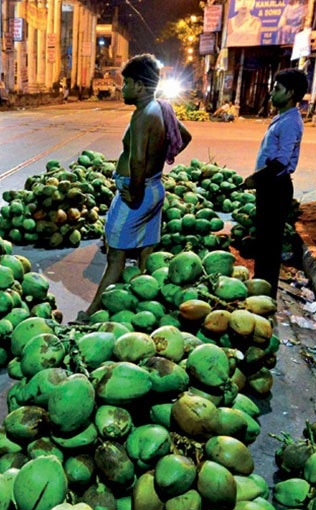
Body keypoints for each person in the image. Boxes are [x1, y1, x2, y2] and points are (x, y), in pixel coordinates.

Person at [81, 54, 192, 320]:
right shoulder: (161, 108)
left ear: (140, 86)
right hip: (155, 189)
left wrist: (136, 193)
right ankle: (144, 308)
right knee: (145, 254)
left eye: (127, 83)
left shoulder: (142, 115)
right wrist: (160, 161)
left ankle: (92, 312)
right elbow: (185, 137)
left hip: (137, 193)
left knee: (115, 258)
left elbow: (138, 159)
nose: (123, 89)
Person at [239, 68, 308, 297]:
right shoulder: (283, 117)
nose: (271, 93)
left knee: (270, 243)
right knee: (265, 239)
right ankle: (260, 284)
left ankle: (265, 292)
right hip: (269, 186)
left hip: (276, 187)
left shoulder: (290, 122)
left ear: (290, 93)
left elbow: (280, 162)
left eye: (277, 89)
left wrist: (254, 179)